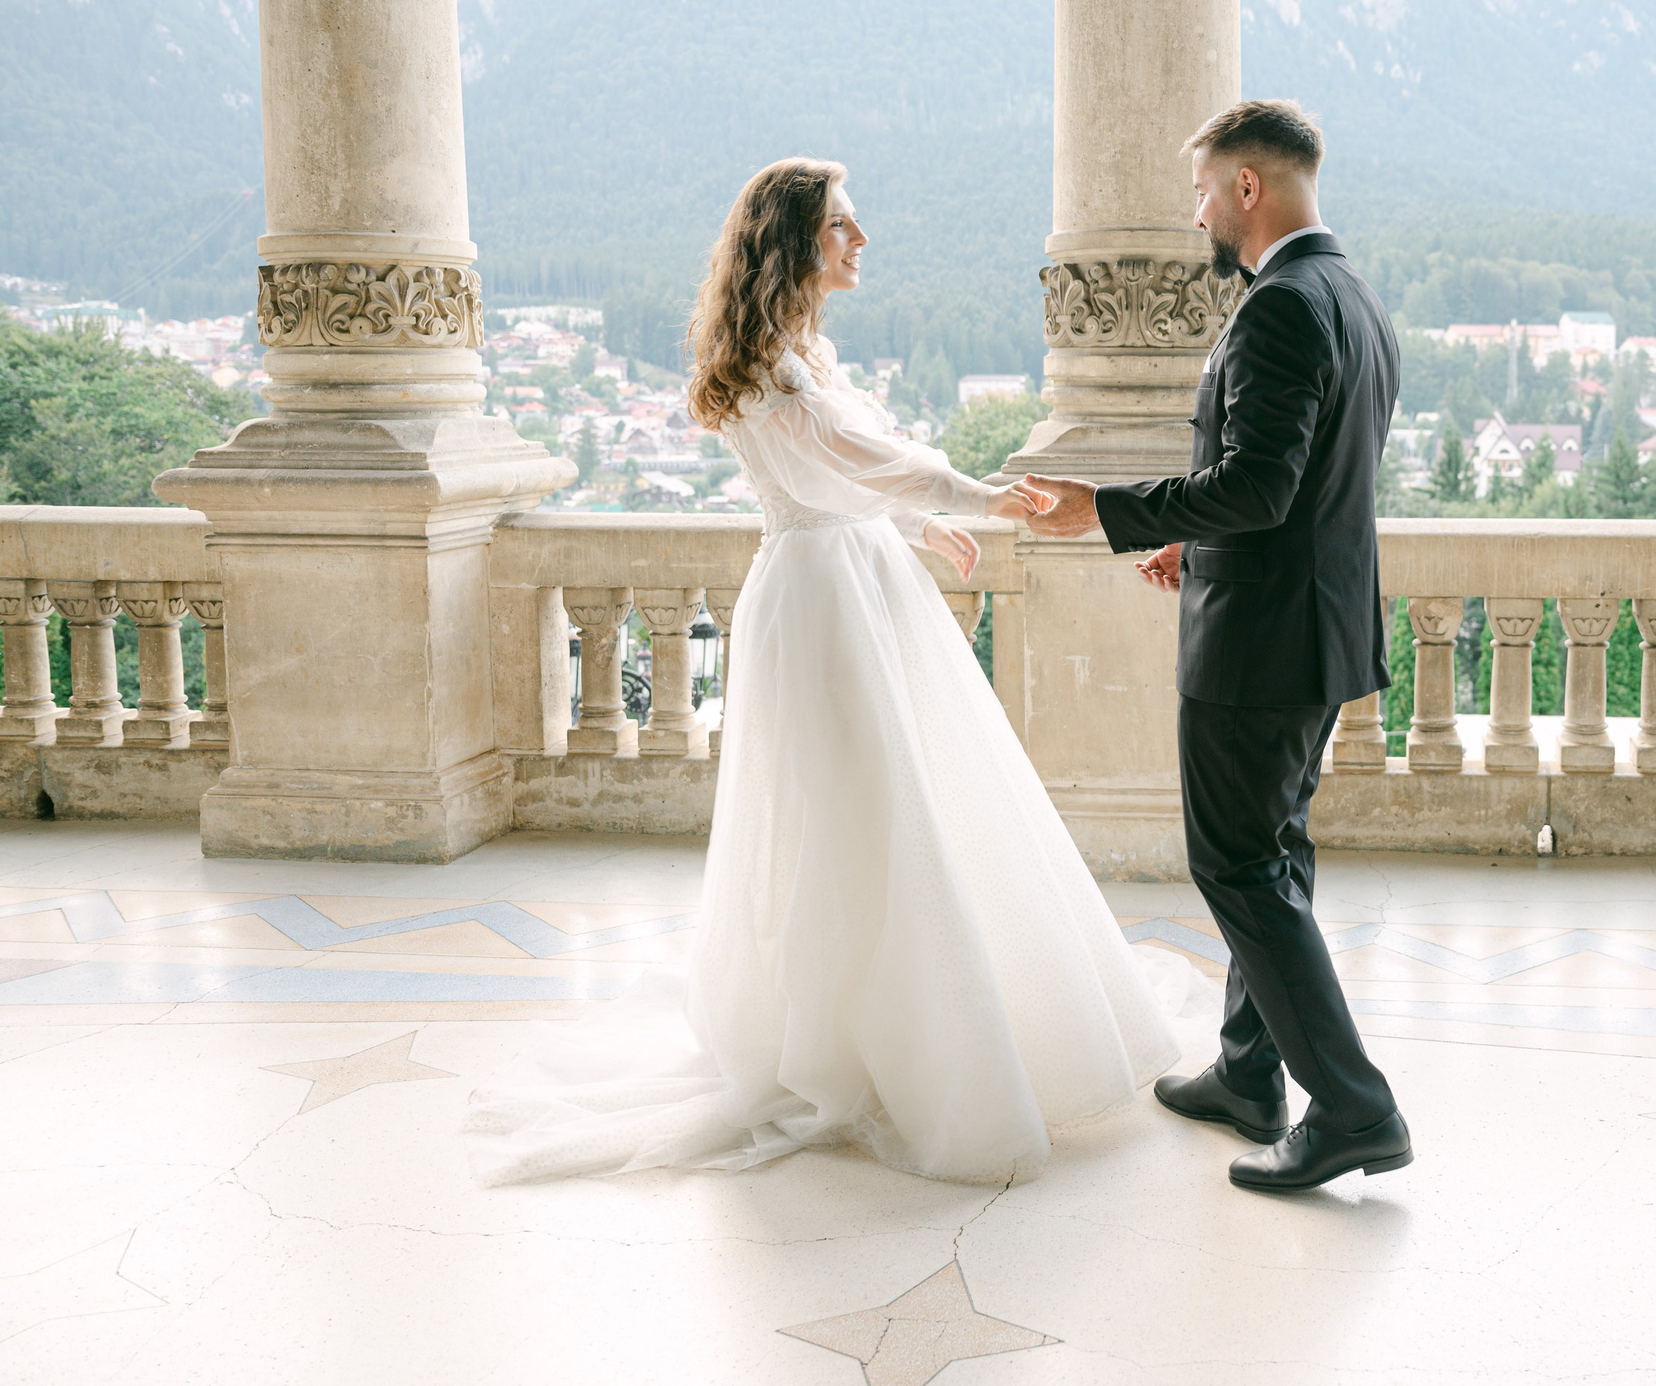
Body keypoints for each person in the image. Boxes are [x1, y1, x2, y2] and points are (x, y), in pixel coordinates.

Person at [464, 158, 1184, 1185]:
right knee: (850, 816)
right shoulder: (772, 367)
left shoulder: (803, 352)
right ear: (795, 242)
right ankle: (859, 1042)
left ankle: (921, 1014)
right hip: (820, 602)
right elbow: (849, 458)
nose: (861, 241)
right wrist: (972, 494)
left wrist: (925, 522)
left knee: (910, 801)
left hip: (859, 578)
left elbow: (842, 472)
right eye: (843, 226)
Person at [1022, 100, 1413, 1193]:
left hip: (1261, 649)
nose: (1196, 211)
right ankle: (1249, 1075)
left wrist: (1105, 510)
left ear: (1249, 185)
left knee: (1236, 864)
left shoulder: (1282, 305)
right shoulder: (1354, 297)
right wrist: (1199, 552)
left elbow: (1260, 482)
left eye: (1202, 189)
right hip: (1316, 628)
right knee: (1273, 852)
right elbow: (1309, 494)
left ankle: (1351, 1106)